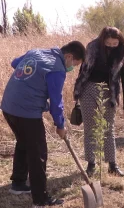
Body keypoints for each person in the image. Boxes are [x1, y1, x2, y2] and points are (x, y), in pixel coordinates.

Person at [0, 41, 86, 207]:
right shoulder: (57, 69)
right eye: (74, 64)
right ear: (68, 56)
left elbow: (15, 64)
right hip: (26, 111)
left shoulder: (36, 52)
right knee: (38, 152)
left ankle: (18, 183)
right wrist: (60, 125)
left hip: (8, 106)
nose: (72, 68)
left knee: (24, 143)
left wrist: (30, 84)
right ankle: (40, 199)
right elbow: (56, 102)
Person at [73, 26, 124, 177]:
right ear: (102, 40)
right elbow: (83, 71)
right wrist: (78, 93)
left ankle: (112, 165)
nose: (112, 46)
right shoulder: (92, 48)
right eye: (108, 43)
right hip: (88, 90)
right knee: (90, 128)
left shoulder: (121, 52)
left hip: (109, 92)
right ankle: (91, 164)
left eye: (115, 44)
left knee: (108, 128)